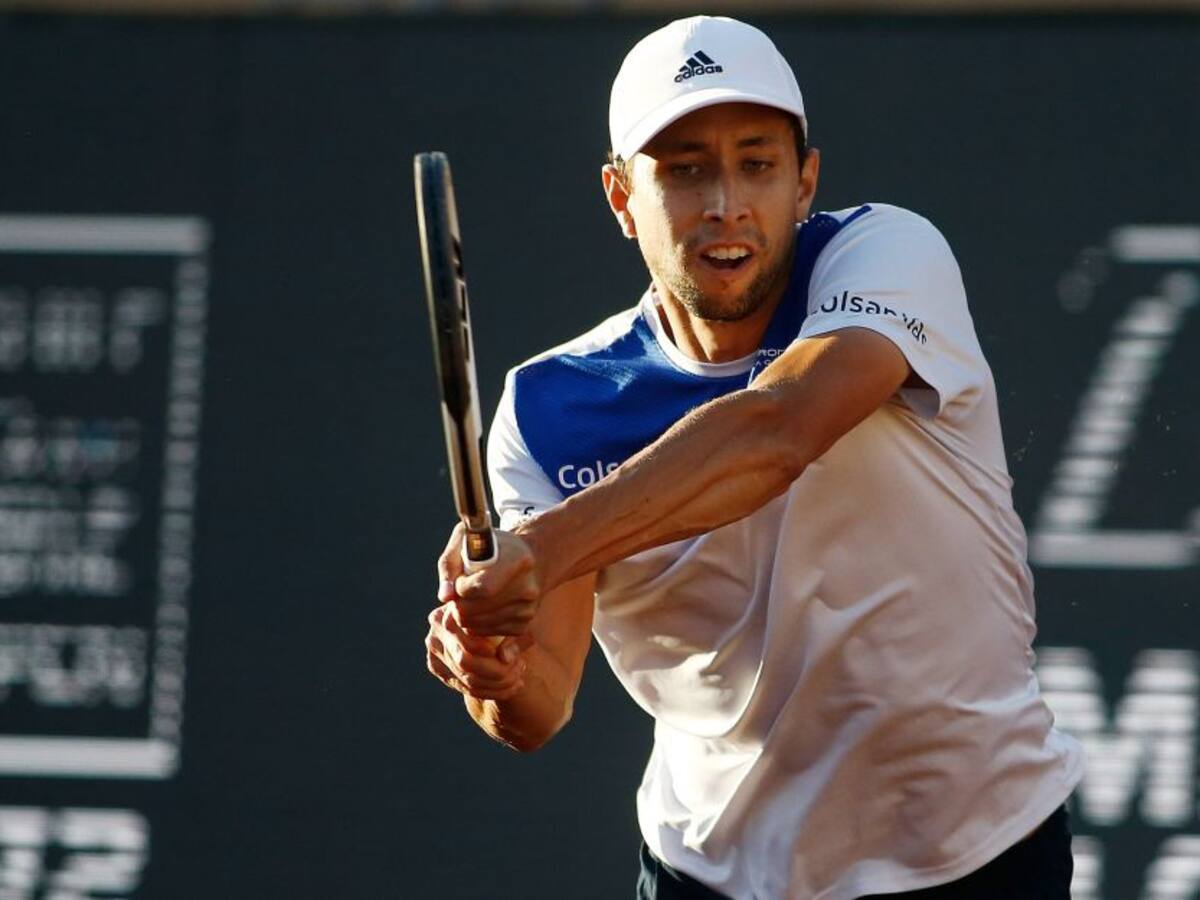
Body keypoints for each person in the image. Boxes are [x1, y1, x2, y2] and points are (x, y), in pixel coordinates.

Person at [424, 15, 1083, 900]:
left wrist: (539, 551)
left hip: (977, 855)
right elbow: (540, 706)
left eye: (758, 164)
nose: (726, 204)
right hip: (711, 874)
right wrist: (494, 669)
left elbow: (779, 430)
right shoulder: (550, 409)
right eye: (684, 170)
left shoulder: (886, 256)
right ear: (620, 197)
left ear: (805, 180)